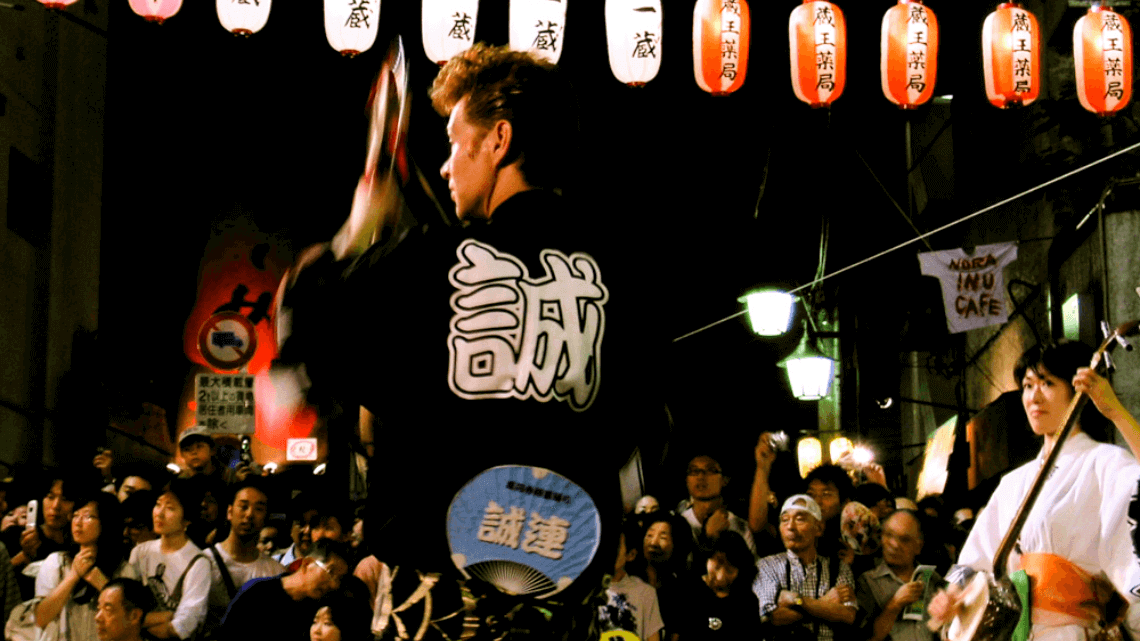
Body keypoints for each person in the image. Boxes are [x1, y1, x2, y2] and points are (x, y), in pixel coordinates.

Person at [271, 41, 649, 627]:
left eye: (453, 142)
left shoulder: (424, 262)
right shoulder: (624, 276)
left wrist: (356, 230)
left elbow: (301, 343)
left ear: (498, 139)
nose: (445, 165)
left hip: (438, 596)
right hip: (560, 590)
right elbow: (641, 434)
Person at [927, 340, 1140, 640]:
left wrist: (1116, 412)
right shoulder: (1013, 482)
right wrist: (950, 592)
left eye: (1048, 383)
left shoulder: (1104, 463)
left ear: (1078, 389)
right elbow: (966, 563)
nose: (1034, 397)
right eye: (1027, 386)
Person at [35, 492, 136, 641]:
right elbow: (40, 618)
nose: (78, 522)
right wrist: (73, 576)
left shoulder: (124, 570)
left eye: (88, 516)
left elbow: (130, 626)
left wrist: (105, 587)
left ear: (107, 522)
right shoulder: (56, 562)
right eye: (75, 515)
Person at [754, 495, 856, 641]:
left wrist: (796, 599)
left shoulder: (839, 568)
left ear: (819, 528)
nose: (790, 526)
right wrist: (825, 603)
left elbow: (848, 615)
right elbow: (774, 617)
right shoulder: (767, 565)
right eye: (785, 520)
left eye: (800, 519)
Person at [129, 478, 214, 640]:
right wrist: (164, 617)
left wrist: (137, 624)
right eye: (158, 504)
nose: (159, 513)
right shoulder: (140, 552)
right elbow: (125, 608)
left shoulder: (198, 562)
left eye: (170, 508)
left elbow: (183, 625)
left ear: (187, 520)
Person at [217, 540, 350, 641]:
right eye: (331, 572)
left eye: (339, 579)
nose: (333, 584)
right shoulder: (257, 593)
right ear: (307, 563)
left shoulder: (321, 610)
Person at [205, 480, 285, 633]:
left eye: (259, 509)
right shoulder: (204, 562)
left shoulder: (276, 573)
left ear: (265, 518)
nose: (249, 514)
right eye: (243, 506)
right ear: (229, 512)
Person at [857, 509, 939, 641]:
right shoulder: (868, 581)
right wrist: (894, 605)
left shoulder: (931, 577)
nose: (894, 545)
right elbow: (867, 638)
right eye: (889, 535)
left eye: (904, 540)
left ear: (918, 546)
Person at [670, 531, 760, 640]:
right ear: (707, 558)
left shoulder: (747, 601)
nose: (720, 577)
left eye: (729, 571)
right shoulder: (687, 588)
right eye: (716, 567)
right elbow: (676, 634)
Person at [14, 473, 83, 599]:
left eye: (65, 499)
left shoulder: (80, 545)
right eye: (50, 497)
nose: (56, 506)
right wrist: (24, 556)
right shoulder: (17, 535)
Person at [680, 453, 756, 568]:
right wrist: (710, 537)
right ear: (686, 480)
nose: (700, 476)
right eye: (694, 471)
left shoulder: (741, 527)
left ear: (725, 480)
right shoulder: (676, 524)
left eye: (710, 470)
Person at [597, 519, 663, 641]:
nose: (608, 551)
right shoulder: (589, 589)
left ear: (631, 555)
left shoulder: (645, 592)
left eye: (615, 546)